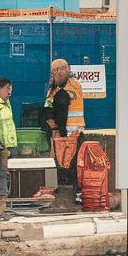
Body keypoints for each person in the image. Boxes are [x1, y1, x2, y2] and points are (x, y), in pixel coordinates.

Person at [40, 58, 85, 200]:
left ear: (68, 70)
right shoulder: (58, 88)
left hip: (68, 134)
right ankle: (69, 192)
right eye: (54, 70)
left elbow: (58, 113)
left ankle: (70, 193)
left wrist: (55, 130)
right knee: (65, 165)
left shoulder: (66, 90)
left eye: (60, 69)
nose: (57, 73)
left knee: (68, 165)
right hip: (69, 133)